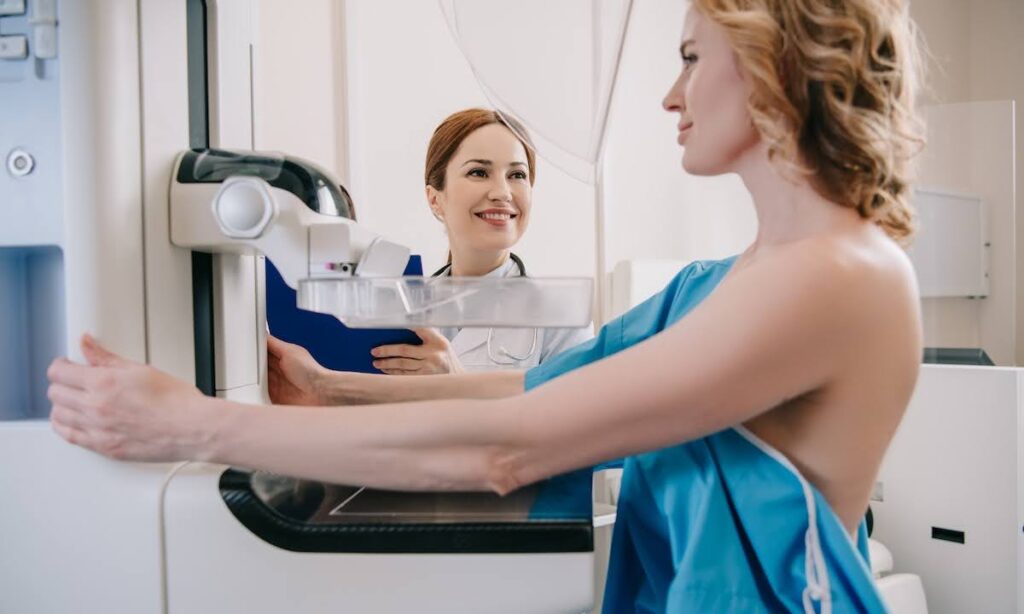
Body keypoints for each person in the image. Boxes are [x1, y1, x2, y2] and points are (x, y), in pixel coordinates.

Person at [47, 0, 924, 610]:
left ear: (775, 58)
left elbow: (511, 449)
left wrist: (197, 427)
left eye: (691, 58)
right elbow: (537, 389)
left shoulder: (841, 276)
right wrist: (332, 388)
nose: (670, 93)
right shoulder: (724, 282)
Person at [366, 108, 593, 375]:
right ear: (435, 199)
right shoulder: (399, 310)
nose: (502, 192)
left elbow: (572, 416)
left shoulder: (561, 316)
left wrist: (455, 382)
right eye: (479, 172)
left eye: (517, 175)